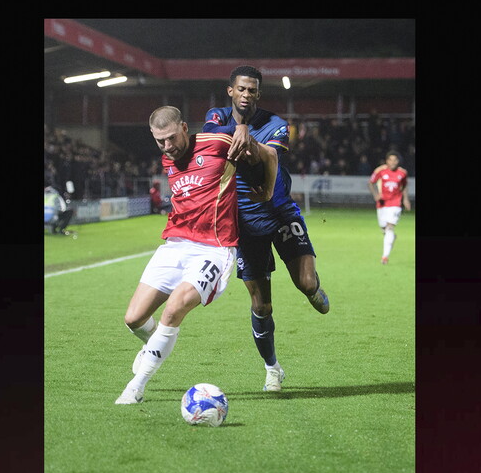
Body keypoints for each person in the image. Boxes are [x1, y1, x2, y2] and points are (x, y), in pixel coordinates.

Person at [116, 106, 276, 404]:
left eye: (171, 138)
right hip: (175, 245)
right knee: (134, 318)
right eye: (160, 141)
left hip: (214, 249)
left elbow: (269, 155)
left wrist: (267, 190)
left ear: (184, 128)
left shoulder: (218, 143)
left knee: (174, 309)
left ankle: (136, 387)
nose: (167, 146)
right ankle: (155, 346)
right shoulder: (168, 158)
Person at [201, 65, 330, 393]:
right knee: (261, 306)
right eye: (241, 89)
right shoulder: (215, 117)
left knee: (306, 283)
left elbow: (269, 155)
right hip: (244, 224)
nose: (246, 95)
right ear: (230, 91)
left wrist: (246, 135)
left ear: (259, 93)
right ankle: (273, 368)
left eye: (252, 90)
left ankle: (313, 289)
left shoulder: (276, 124)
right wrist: (239, 130)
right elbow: (212, 142)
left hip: (280, 212)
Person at [367, 151, 411, 264]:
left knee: (389, 227)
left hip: (395, 204)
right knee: (384, 229)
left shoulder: (402, 173)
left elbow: (405, 185)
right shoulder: (380, 171)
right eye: (390, 160)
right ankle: (391, 237)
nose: (393, 162)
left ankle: (385, 257)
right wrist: (375, 195)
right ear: (387, 161)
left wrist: (405, 199)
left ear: (398, 161)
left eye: (395, 160)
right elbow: (370, 182)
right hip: (382, 204)